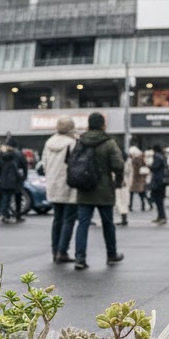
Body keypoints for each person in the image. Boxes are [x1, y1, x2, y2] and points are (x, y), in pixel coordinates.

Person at [72, 112, 125, 269]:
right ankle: (111, 255)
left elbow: (72, 162)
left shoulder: (81, 141)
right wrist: (117, 180)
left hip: (84, 188)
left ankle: (80, 258)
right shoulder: (109, 143)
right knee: (108, 224)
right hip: (104, 188)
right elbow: (118, 165)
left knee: (83, 224)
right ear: (103, 125)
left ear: (88, 124)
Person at [41, 116, 79, 263]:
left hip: (53, 185)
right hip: (68, 185)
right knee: (69, 219)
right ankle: (62, 252)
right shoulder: (73, 143)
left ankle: (55, 249)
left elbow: (44, 165)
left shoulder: (49, 142)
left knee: (57, 218)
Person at [0, 144, 27, 223]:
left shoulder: (2, 158)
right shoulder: (15, 158)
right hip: (13, 182)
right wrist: (22, 177)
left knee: (5, 199)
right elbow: (21, 169)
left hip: (4, 182)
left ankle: (5, 214)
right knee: (15, 199)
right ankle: (16, 215)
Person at [148, 143, 169, 224]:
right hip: (162, 181)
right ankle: (161, 216)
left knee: (158, 200)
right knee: (160, 199)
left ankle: (162, 217)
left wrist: (149, 166)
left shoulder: (157, 156)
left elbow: (155, 168)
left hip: (158, 181)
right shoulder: (163, 156)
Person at [128, 145, 150, 211]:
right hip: (140, 178)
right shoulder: (142, 158)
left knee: (133, 193)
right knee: (142, 194)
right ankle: (145, 205)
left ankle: (130, 206)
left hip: (136, 178)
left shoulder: (135, 160)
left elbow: (135, 169)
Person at [115, 148, 131, 226]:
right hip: (124, 184)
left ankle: (124, 219)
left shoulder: (119, 163)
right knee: (123, 202)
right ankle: (124, 219)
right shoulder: (127, 163)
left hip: (119, 184)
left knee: (120, 202)